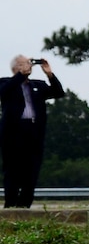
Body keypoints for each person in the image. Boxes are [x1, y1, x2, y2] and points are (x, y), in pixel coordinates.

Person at [1, 57, 61, 209]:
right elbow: (3, 92)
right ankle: (11, 204)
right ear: (16, 67)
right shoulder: (6, 83)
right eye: (24, 63)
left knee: (32, 169)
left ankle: (25, 204)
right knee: (12, 169)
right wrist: (20, 76)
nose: (29, 66)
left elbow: (58, 92)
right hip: (13, 133)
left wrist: (49, 75)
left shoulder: (37, 85)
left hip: (34, 132)